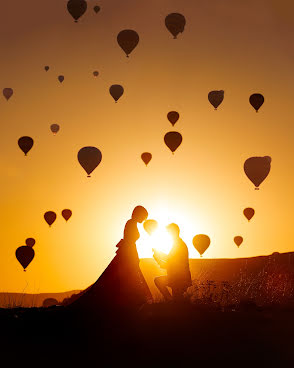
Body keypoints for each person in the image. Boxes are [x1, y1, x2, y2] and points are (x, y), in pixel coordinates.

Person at [68, 205, 153, 313]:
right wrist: (133, 255)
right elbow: (129, 241)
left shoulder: (132, 223)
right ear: (139, 214)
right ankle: (130, 300)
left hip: (129, 251)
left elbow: (129, 241)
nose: (143, 219)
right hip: (128, 253)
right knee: (127, 277)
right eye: (143, 216)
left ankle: (130, 299)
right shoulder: (131, 223)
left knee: (125, 277)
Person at [153, 223, 192, 302]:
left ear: (174, 232)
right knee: (177, 299)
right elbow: (171, 260)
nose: (168, 234)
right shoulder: (178, 244)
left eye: (169, 232)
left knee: (158, 281)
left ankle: (170, 301)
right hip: (177, 277)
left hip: (178, 278)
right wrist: (159, 255)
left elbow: (171, 262)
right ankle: (171, 301)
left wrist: (158, 256)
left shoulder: (178, 245)